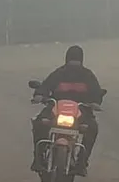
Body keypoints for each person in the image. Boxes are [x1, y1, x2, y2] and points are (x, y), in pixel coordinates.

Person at [31, 45, 103, 175]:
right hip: (56, 108)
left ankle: (82, 161)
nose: (73, 64)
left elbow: (96, 92)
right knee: (39, 123)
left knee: (92, 128)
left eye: (75, 61)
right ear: (67, 60)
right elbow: (45, 86)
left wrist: (96, 102)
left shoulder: (88, 75)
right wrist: (39, 95)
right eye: (72, 61)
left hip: (81, 110)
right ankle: (38, 158)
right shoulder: (59, 73)